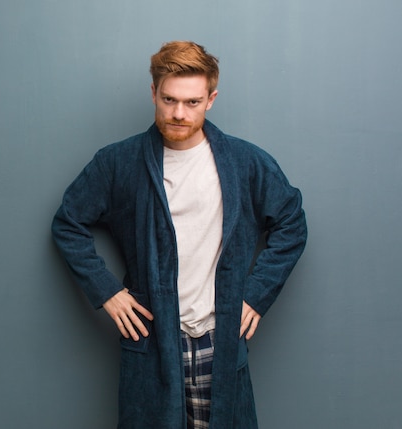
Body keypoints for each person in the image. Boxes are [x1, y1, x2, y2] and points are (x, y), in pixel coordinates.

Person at [51, 41, 307, 429]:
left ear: (211, 99)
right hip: (154, 337)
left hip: (218, 336)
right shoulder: (118, 163)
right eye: (169, 99)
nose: (178, 113)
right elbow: (68, 222)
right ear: (153, 92)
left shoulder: (245, 162)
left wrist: (256, 294)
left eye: (191, 102)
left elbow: (291, 222)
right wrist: (107, 291)